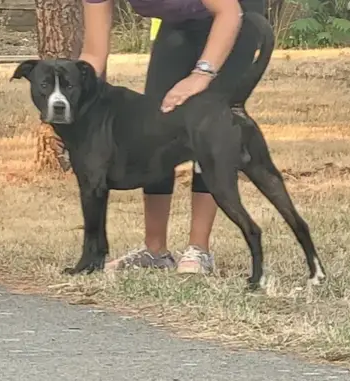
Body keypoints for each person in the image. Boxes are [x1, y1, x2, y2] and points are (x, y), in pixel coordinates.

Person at [74, 0, 268, 274]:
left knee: (204, 124)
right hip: (181, 20)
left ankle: (199, 249)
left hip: (235, 13)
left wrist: (202, 74)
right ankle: (155, 251)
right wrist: (74, 97)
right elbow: (94, 54)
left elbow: (228, 12)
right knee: (155, 120)